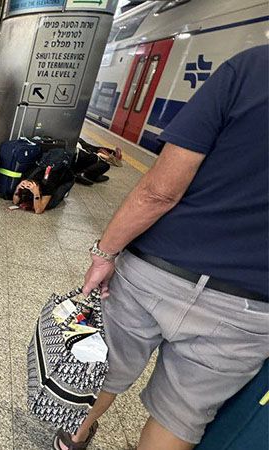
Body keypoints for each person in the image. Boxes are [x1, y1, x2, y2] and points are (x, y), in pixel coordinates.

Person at [58, 45, 269, 450]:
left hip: (157, 268)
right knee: (179, 418)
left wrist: (104, 253)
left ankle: (74, 438)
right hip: (249, 304)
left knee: (103, 367)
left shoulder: (251, 68)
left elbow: (159, 192)